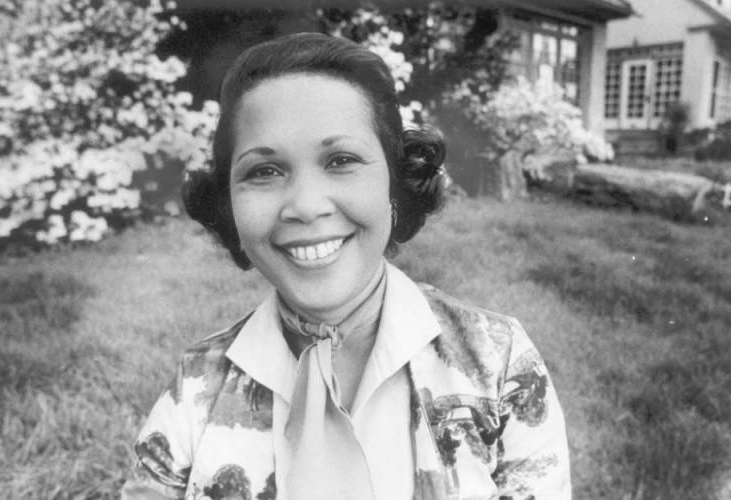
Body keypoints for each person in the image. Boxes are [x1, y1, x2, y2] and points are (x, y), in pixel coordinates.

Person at [122, 33, 570, 500]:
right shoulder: (196, 385)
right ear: (228, 202)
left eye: (340, 161)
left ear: (395, 185)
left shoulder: (497, 363)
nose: (306, 206)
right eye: (264, 171)